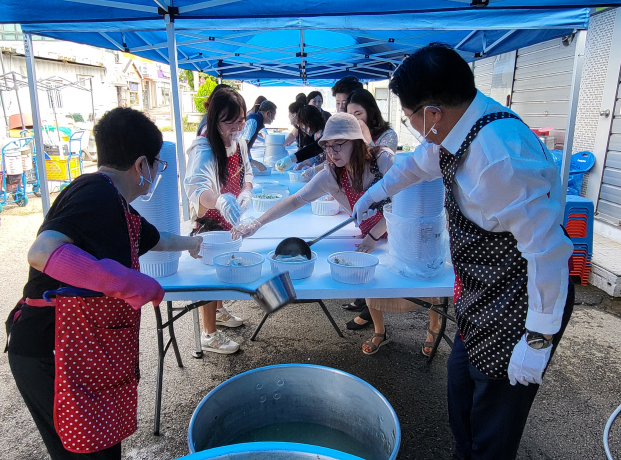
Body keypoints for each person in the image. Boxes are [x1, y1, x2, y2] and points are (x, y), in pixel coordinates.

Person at [352, 43, 575, 460]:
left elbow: (548, 252)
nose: (413, 126)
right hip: (481, 292)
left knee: (493, 425)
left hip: (522, 300)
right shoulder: (454, 129)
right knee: (461, 392)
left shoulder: (500, 156)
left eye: (410, 117)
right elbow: (417, 164)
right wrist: (376, 193)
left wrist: (539, 338)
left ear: (432, 113)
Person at [6, 107, 202, 459]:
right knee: (86, 454)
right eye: (158, 165)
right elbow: (42, 251)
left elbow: (155, 238)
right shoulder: (93, 194)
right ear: (142, 165)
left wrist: (193, 243)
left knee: (105, 449)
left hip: (88, 354)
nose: (158, 172)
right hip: (51, 352)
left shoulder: (118, 204)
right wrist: (125, 281)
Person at [345, 88, 441, 355]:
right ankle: (379, 330)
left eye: (408, 116)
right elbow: (404, 174)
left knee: (431, 275)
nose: (408, 123)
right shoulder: (431, 149)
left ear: (433, 114)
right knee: (383, 276)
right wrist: (368, 198)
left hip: (430, 225)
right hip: (402, 224)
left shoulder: (480, 144)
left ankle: (434, 330)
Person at [234, 112, 391, 256]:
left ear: (356, 142)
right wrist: (256, 224)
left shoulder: (383, 160)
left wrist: (373, 236)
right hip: (368, 246)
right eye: (328, 145)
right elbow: (295, 200)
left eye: (338, 143)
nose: (332, 152)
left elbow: (402, 206)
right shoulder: (332, 176)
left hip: (394, 241)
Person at [185, 87, 253, 355]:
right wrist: (221, 200)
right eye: (230, 121)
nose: (237, 126)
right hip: (210, 221)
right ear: (214, 120)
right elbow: (197, 189)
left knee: (225, 267)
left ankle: (220, 310)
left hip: (231, 219)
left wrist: (246, 190)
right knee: (210, 275)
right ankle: (209, 334)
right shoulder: (204, 148)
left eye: (241, 120)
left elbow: (246, 170)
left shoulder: (240, 141)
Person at [275, 105, 325, 172]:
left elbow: (316, 148)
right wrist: (305, 163)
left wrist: (313, 170)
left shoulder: (326, 133)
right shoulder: (316, 134)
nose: (303, 129)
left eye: (303, 126)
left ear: (310, 122)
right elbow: (317, 155)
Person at [242, 100, 276, 171]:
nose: (274, 118)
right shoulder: (253, 121)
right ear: (268, 113)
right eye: (274, 115)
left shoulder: (257, 120)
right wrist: (255, 162)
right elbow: (242, 147)